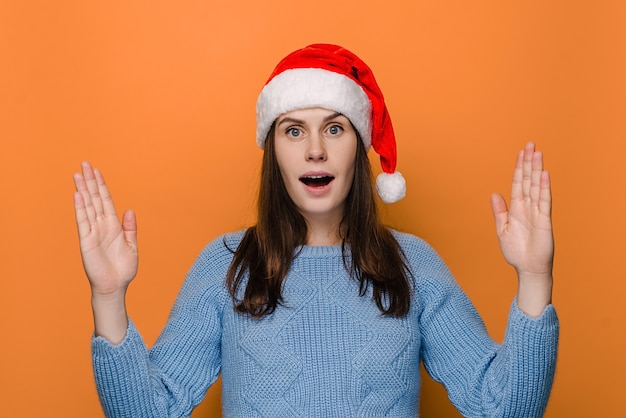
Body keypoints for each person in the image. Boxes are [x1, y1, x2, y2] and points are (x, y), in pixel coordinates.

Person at [73, 44, 559, 417]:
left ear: (358, 145)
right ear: (274, 152)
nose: (314, 151)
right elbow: (148, 410)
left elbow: (505, 408)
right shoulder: (226, 265)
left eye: (333, 128)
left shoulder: (414, 266)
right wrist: (109, 297)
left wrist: (535, 276)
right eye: (293, 130)